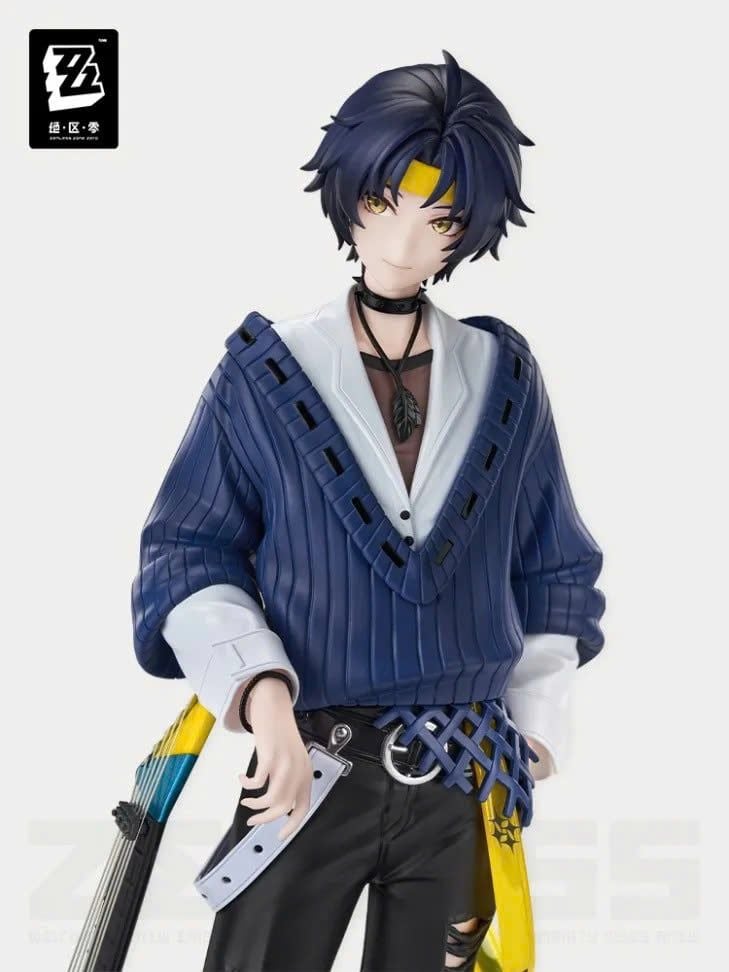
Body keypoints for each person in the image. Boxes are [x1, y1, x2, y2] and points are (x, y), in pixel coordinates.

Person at [131, 50, 606, 972]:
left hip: (464, 770)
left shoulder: (505, 377)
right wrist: (261, 693)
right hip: (310, 763)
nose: (402, 243)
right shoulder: (265, 374)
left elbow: (556, 567)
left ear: (467, 230)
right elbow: (188, 551)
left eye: (440, 219)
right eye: (384, 203)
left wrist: (535, 726)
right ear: (349, 196)